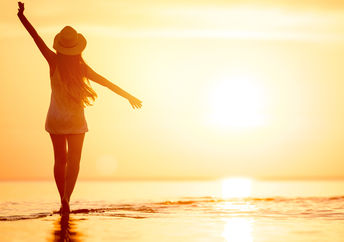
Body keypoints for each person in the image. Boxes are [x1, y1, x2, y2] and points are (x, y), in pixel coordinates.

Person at [17, 2, 142, 214]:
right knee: (74, 161)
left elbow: (35, 37)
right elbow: (106, 82)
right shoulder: (82, 67)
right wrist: (128, 96)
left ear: (60, 46)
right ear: (76, 47)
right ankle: (67, 198)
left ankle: (61, 199)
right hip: (75, 121)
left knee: (60, 160)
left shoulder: (53, 61)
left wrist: (22, 17)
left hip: (56, 118)